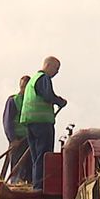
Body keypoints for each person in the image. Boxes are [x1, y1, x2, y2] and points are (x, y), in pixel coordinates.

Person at [20, 56, 67, 191]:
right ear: (48, 65)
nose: (57, 72)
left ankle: (37, 184)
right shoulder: (43, 78)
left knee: (36, 157)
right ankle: (42, 186)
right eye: (56, 68)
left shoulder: (32, 81)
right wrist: (60, 101)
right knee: (44, 155)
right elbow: (48, 96)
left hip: (30, 123)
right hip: (42, 123)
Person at [2, 75, 32, 184]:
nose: (24, 90)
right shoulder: (13, 101)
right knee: (17, 168)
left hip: (29, 140)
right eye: (23, 87)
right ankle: (16, 184)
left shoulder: (32, 102)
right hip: (18, 141)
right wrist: (13, 139)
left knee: (29, 167)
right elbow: (7, 121)